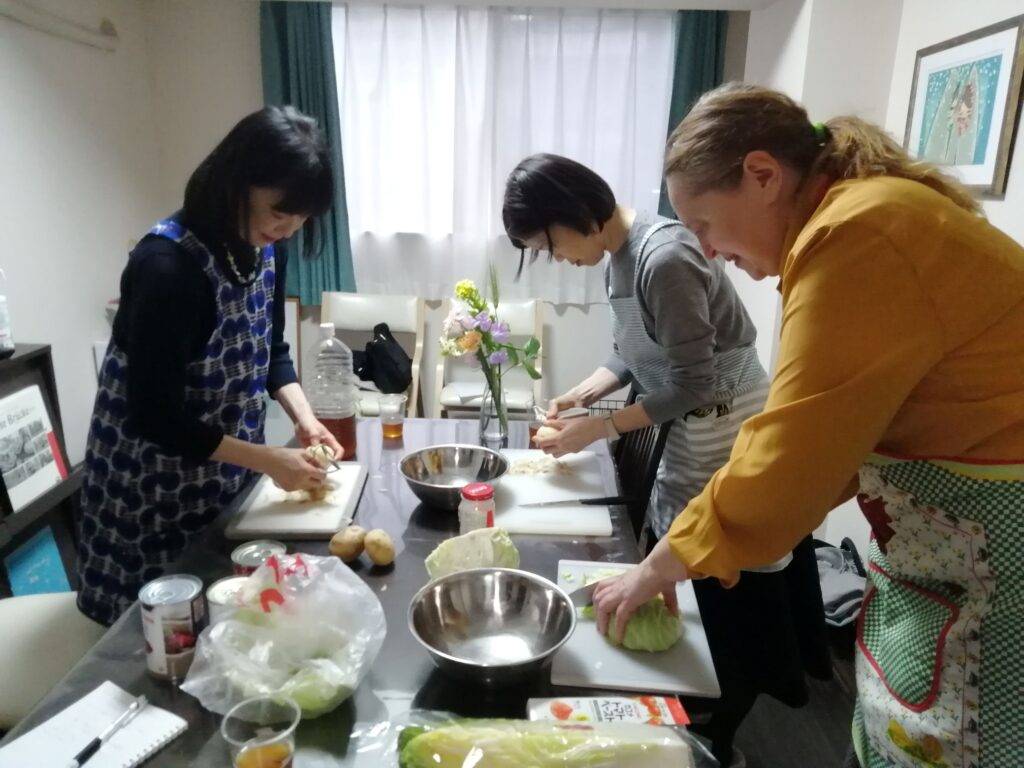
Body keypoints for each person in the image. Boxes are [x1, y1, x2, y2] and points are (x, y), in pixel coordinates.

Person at [592, 82, 1024, 768]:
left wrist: (661, 564)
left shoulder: (856, 234)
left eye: (704, 224)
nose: (707, 251)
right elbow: (824, 449)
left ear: (763, 176)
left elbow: (788, 457)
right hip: (943, 557)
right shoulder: (866, 215)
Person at [502, 153, 830, 766]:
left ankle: (722, 729)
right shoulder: (618, 256)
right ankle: (697, 698)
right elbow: (631, 352)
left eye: (550, 245)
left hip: (724, 422)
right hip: (689, 421)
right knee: (688, 554)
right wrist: (582, 395)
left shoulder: (665, 257)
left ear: (574, 212)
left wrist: (599, 428)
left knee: (726, 568)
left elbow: (695, 383)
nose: (558, 258)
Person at [77, 106, 344, 626]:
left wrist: (305, 418)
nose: (289, 229)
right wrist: (268, 459)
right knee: (158, 633)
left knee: (228, 618)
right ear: (236, 183)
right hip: (148, 489)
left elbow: (271, 350)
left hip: (224, 474)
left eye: (302, 218)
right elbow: (154, 416)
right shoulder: (167, 267)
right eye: (280, 212)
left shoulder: (267, 248)